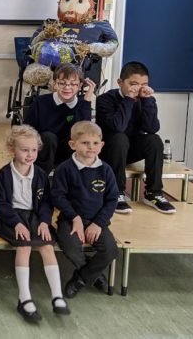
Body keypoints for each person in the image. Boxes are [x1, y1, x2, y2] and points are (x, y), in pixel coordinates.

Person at [0, 125, 69, 322]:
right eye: (24, 150)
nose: (30, 154)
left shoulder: (40, 175)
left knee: (47, 246)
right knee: (23, 246)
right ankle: (24, 298)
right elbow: (1, 204)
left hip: (34, 217)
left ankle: (57, 296)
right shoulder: (5, 175)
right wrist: (16, 223)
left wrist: (43, 222)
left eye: (34, 150)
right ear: (12, 150)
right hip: (10, 218)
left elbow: (45, 203)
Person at [96, 61, 175, 214]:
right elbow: (118, 127)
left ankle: (154, 193)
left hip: (130, 149)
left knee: (154, 139)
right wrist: (128, 100)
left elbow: (152, 128)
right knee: (120, 138)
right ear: (120, 82)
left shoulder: (145, 99)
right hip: (109, 150)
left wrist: (147, 101)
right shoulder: (105, 100)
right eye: (133, 84)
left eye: (143, 84)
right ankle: (117, 192)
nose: (138, 88)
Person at [50, 121, 119, 299]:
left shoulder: (106, 170)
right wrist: (75, 218)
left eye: (95, 143)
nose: (91, 147)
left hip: (97, 221)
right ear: (73, 145)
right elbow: (58, 197)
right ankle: (95, 276)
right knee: (71, 249)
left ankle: (81, 278)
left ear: (102, 145)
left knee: (111, 250)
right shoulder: (64, 169)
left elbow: (112, 200)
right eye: (85, 143)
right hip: (70, 220)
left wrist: (98, 223)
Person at [23, 0, 119, 87]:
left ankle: (56, 81)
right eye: (67, 0)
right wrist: (44, 34)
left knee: (66, 77)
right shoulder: (50, 24)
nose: (71, 7)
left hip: (74, 66)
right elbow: (33, 44)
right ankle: (51, 79)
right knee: (35, 74)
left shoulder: (99, 25)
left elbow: (113, 44)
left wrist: (91, 47)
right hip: (44, 62)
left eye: (80, 1)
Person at [23, 64, 95, 173]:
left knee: (75, 138)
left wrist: (87, 100)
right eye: (62, 83)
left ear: (80, 86)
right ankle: (40, 182)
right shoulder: (40, 102)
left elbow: (84, 132)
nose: (67, 87)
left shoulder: (83, 105)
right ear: (55, 84)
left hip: (69, 154)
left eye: (73, 84)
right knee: (48, 137)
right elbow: (27, 131)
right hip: (43, 153)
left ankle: (69, 182)